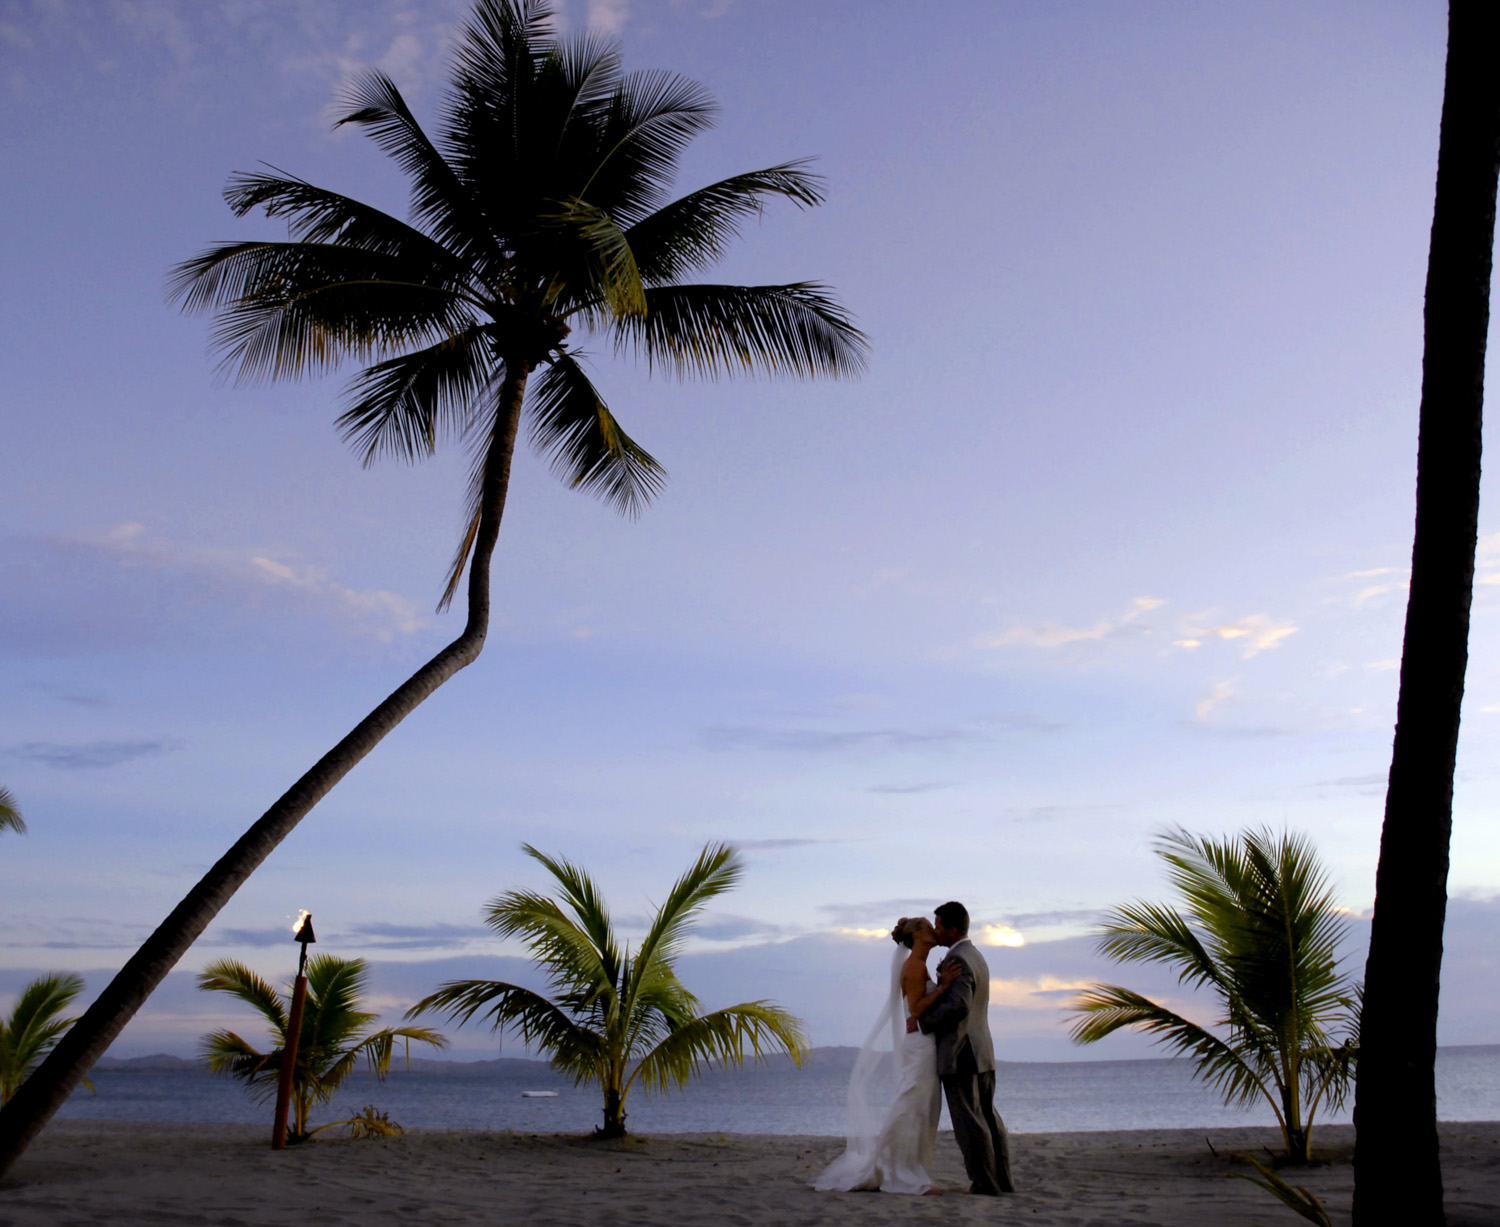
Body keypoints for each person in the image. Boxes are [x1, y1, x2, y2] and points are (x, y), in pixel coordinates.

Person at [812, 916, 959, 1194]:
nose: (933, 930)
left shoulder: (919, 966)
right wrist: (943, 988)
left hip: (922, 1043)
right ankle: (898, 1171)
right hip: (920, 1046)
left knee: (921, 1106)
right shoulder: (914, 967)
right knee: (911, 1104)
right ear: (917, 935)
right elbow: (916, 1009)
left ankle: (907, 1167)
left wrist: (938, 986)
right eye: (928, 926)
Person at [911, 900, 1015, 1194]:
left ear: (953, 929)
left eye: (940, 925)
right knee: (989, 1118)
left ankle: (985, 1183)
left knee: (970, 1123)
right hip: (981, 1050)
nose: (936, 930)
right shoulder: (976, 956)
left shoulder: (957, 961)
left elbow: (959, 1004)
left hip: (961, 1052)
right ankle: (1002, 1181)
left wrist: (923, 1020)